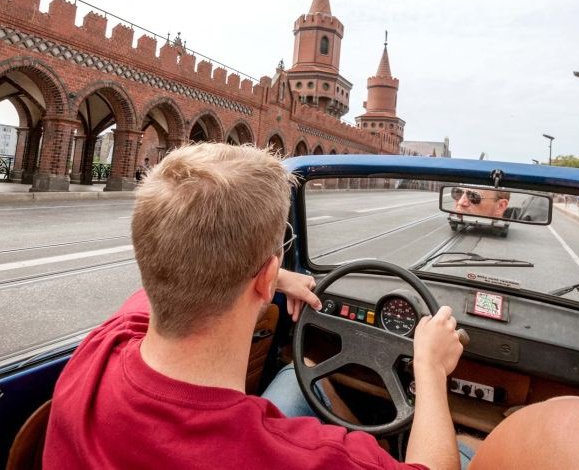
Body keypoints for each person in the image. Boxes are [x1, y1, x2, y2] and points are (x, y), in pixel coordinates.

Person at [43, 143, 467, 470]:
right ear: (264, 279)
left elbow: (160, 287)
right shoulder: (299, 457)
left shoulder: (98, 350)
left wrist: (272, 275)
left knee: (298, 377)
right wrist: (430, 370)